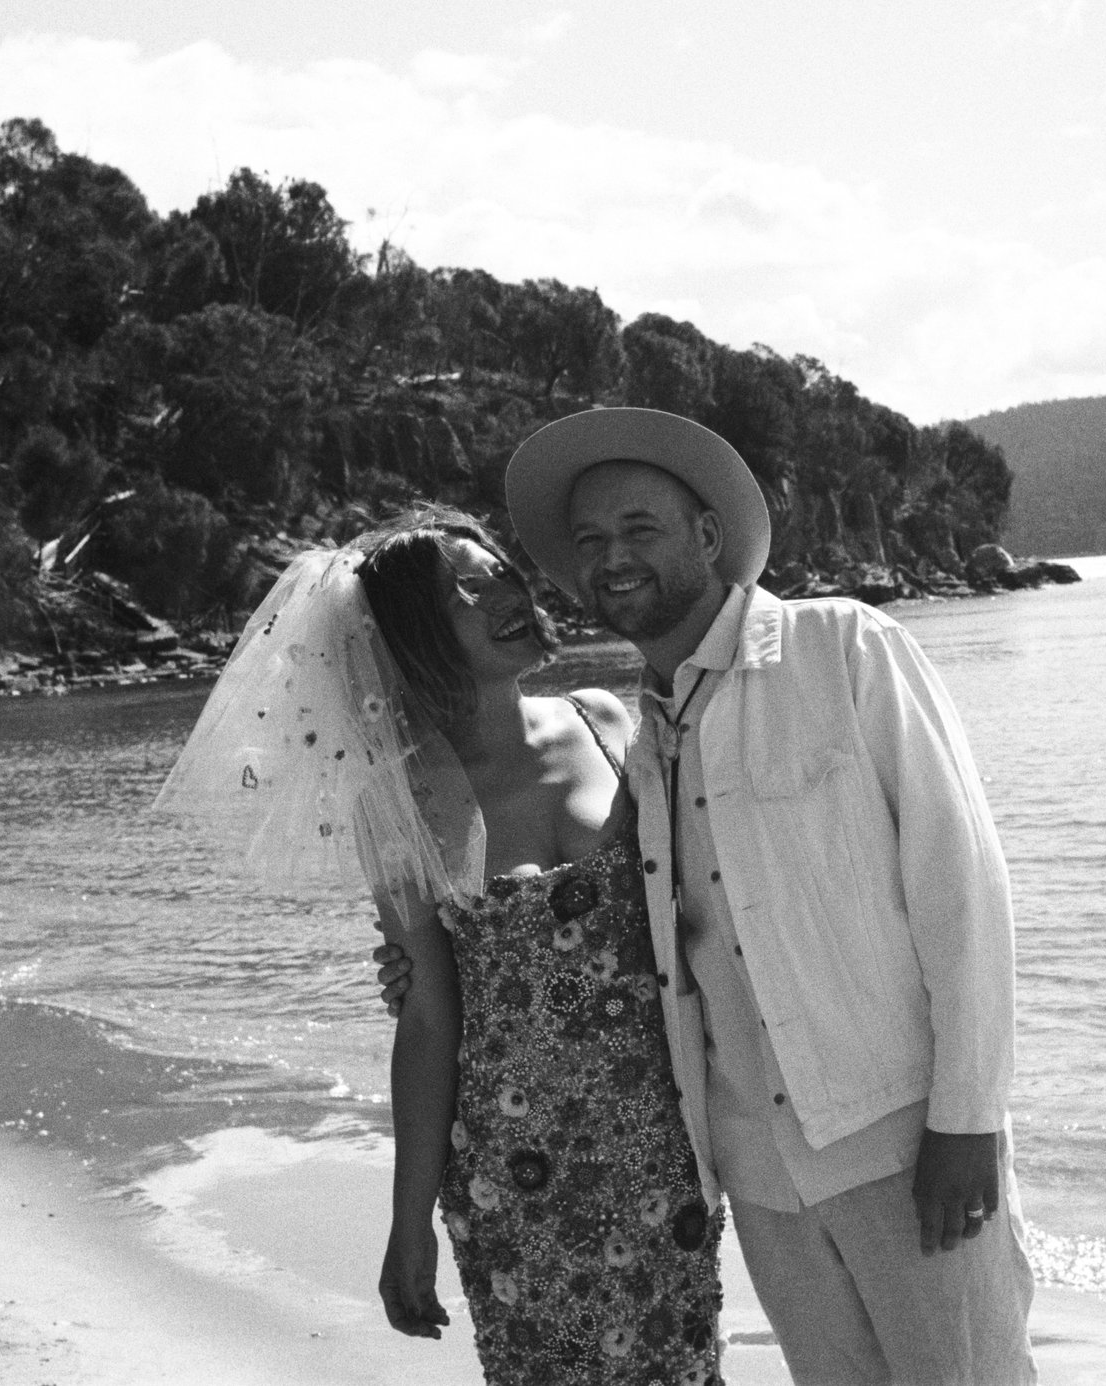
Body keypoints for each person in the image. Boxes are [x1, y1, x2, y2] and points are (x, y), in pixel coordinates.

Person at [503, 407, 1037, 1386]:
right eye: (590, 541)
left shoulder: (842, 648)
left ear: (708, 536)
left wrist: (969, 1115)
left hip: (902, 1140)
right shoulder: (645, 737)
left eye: (638, 527)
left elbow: (961, 878)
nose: (611, 556)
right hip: (758, 1174)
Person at [155, 506, 723, 1386]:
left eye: (497, 568)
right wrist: (408, 1218)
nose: (504, 591)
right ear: (415, 640)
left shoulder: (605, 719)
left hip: (665, 1142)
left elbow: (704, 900)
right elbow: (428, 1018)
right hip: (516, 1167)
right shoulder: (398, 802)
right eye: (464, 591)